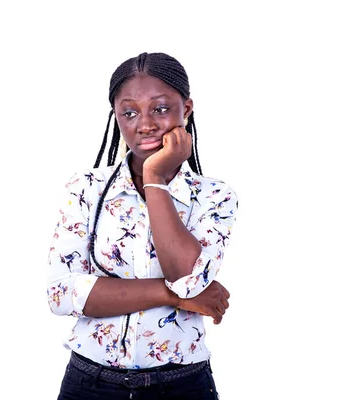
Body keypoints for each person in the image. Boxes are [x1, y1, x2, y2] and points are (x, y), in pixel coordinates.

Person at [46, 52, 238, 400]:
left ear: (187, 109)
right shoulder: (86, 188)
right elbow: (61, 293)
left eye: (160, 109)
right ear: (116, 117)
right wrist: (172, 295)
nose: (145, 124)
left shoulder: (214, 196)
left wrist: (154, 178)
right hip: (89, 385)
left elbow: (188, 278)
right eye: (129, 112)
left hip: (183, 386)